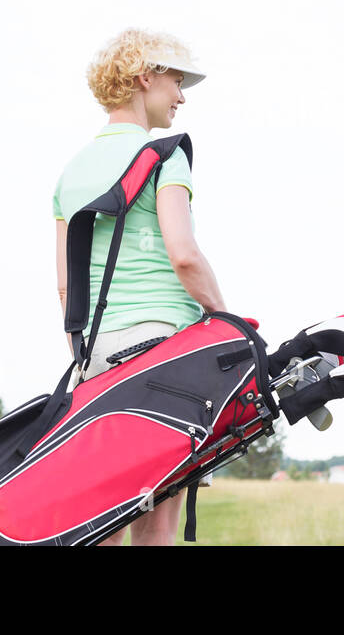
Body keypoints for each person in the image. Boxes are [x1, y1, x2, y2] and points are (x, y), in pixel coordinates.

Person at [53, 28, 226, 547]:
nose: (181, 95)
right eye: (175, 79)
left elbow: (67, 289)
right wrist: (228, 321)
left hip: (98, 355)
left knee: (103, 517)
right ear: (143, 78)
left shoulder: (71, 173)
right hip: (168, 354)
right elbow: (184, 255)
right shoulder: (165, 157)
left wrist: (88, 360)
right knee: (157, 523)